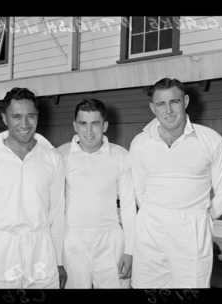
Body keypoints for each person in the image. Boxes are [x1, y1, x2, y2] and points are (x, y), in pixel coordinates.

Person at [129, 78, 222, 288]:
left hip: (191, 233)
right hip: (150, 232)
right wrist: (156, 215)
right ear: (152, 107)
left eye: (174, 102)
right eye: (161, 104)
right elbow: (139, 191)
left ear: (185, 101)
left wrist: (200, 217)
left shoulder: (211, 141)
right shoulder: (140, 143)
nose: (168, 110)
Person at [0, 87, 67, 289]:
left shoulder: (53, 158)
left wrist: (59, 262)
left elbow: (58, 213)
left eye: (30, 116)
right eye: (16, 116)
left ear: (37, 117)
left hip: (42, 250)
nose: (24, 124)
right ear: (5, 118)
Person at [58, 99, 137, 288]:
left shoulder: (121, 156)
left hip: (110, 242)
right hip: (72, 242)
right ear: (75, 126)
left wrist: (130, 250)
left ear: (105, 126)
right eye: (83, 123)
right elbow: (53, 207)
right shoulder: (60, 156)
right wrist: (56, 256)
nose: (89, 131)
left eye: (95, 123)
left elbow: (127, 206)